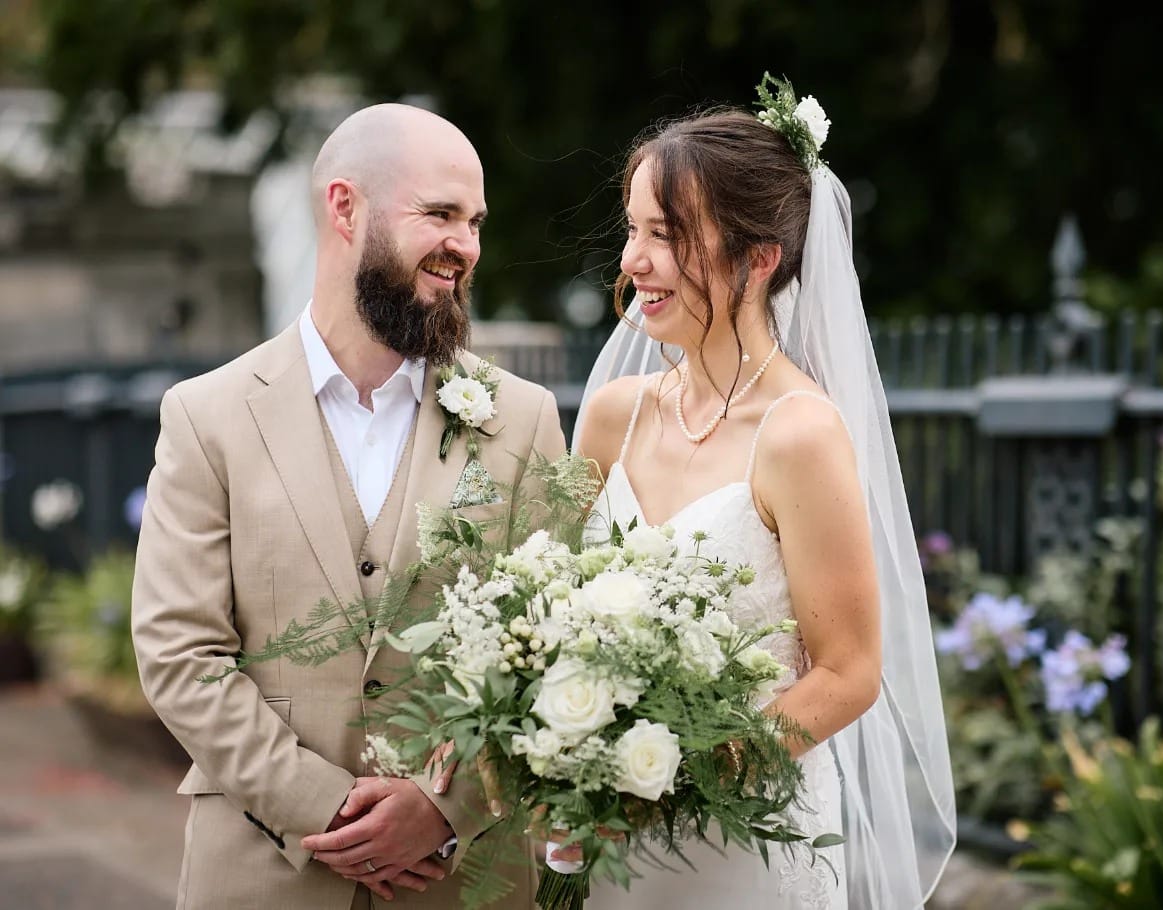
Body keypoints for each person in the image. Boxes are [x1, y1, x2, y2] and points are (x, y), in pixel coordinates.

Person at [131, 103, 564, 909]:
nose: (464, 245)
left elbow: (558, 648)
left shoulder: (523, 416)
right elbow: (179, 653)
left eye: (473, 221)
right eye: (439, 213)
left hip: (464, 880)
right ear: (344, 208)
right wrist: (323, 806)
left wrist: (444, 807)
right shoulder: (208, 415)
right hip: (261, 874)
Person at [573, 82, 955, 909]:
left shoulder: (800, 434)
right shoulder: (609, 418)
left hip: (743, 845)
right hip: (606, 850)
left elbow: (848, 672)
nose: (634, 261)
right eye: (633, 231)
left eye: (667, 236)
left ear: (759, 258)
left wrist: (674, 782)